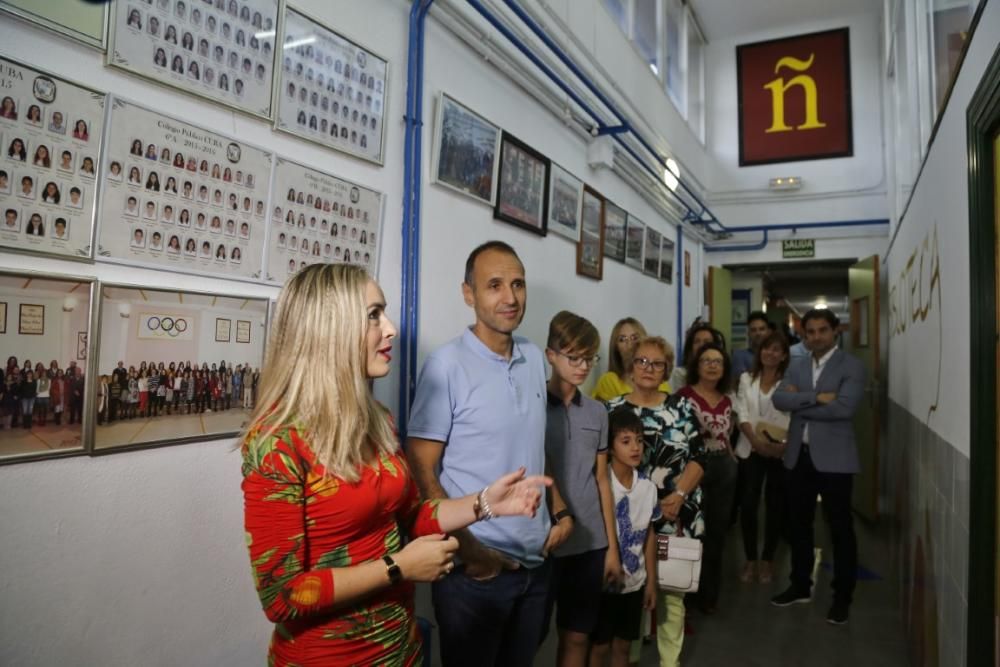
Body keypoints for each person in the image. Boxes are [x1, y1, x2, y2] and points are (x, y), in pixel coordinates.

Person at [241, 263, 549, 665]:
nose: (391, 328)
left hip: (400, 650)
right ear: (328, 329)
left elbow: (412, 515)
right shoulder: (277, 444)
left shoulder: (377, 420)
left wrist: (486, 503)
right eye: (373, 316)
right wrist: (398, 567)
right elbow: (282, 597)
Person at [407, 241, 563, 667]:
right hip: (475, 573)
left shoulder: (532, 357)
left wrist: (559, 516)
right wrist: (470, 551)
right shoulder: (446, 365)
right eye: (494, 285)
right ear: (468, 294)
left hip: (535, 566)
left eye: (518, 284)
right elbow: (420, 466)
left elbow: (534, 446)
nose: (510, 297)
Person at [605, 336, 706, 667]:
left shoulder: (681, 407)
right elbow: (601, 465)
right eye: (641, 361)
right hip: (627, 519)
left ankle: (669, 662)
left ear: (666, 370)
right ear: (631, 367)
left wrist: (678, 495)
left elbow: (699, 458)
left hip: (676, 513)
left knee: (671, 595)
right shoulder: (612, 409)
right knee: (630, 593)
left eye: (657, 363)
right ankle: (629, 656)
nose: (648, 369)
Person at [771, 309, 864, 625]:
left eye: (822, 330)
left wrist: (802, 406)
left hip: (835, 459)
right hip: (799, 456)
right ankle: (799, 585)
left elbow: (844, 408)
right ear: (803, 333)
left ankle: (842, 597)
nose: (816, 337)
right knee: (798, 524)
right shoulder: (797, 365)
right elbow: (779, 400)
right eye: (810, 331)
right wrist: (817, 398)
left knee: (839, 529)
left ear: (835, 331)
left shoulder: (851, 366)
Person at [542, 311, 619, 667]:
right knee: (532, 634)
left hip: (589, 542)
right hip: (543, 540)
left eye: (589, 357)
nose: (583, 365)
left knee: (577, 635)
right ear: (550, 355)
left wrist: (611, 548)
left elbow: (602, 480)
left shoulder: (598, 412)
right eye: (574, 356)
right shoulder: (530, 408)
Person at [589, 409, 660, 667]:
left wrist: (651, 581)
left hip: (635, 583)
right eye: (626, 441)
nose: (635, 448)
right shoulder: (601, 484)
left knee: (624, 646)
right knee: (600, 646)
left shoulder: (648, 488)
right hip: (606, 582)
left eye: (639, 440)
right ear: (609, 447)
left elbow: (649, 536)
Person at [676, 343, 735, 614]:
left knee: (717, 532)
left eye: (718, 362)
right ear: (696, 366)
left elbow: (727, 436)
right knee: (692, 531)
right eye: (706, 360)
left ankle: (710, 595)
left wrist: (732, 459)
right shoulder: (683, 396)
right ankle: (685, 596)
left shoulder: (726, 400)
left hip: (723, 468)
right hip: (694, 468)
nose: (712, 365)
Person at [733, 331, 791, 584]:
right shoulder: (746, 378)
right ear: (760, 352)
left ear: (784, 355)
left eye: (777, 349)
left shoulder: (789, 382)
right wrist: (755, 440)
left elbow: (791, 416)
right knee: (748, 504)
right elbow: (741, 411)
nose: (770, 353)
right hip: (750, 448)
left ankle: (768, 560)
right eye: (767, 348)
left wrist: (779, 445)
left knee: (776, 505)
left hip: (779, 450)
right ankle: (750, 558)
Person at [593, 318, 670, 401]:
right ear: (616, 348)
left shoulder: (658, 378)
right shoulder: (609, 380)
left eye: (635, 338)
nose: (630, 344)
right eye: (622, 339)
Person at [669, 323, 725, 391]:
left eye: (707, 341)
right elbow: (678, 398)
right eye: (697, 341)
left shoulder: (720, 372)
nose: (701, 345)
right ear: (690, 348)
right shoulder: (680, 374)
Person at [732, 311, 771, 379]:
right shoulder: (739, 356)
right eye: (753, 330)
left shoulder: (775, 355)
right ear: (748, 333)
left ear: (768, 332)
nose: (758, 333)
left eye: (762, 329)